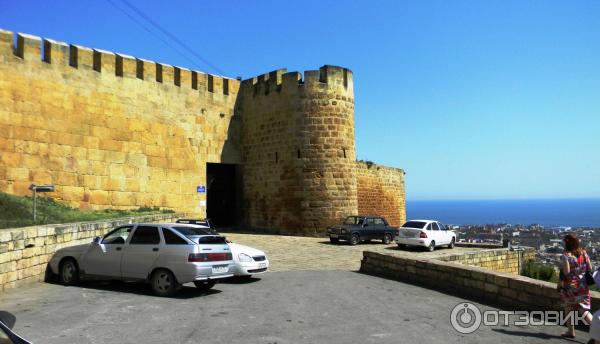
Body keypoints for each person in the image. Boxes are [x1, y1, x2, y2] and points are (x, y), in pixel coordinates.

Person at [558, 233, 593, 339]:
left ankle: (571, 331)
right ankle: (598, 329)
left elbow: (567, 272)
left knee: (568, 308)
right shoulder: (583, 253)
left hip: (570, 287)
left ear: (567, 243)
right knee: (584, 310)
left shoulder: (566, 255)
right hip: (583, 286)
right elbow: (590, 268)